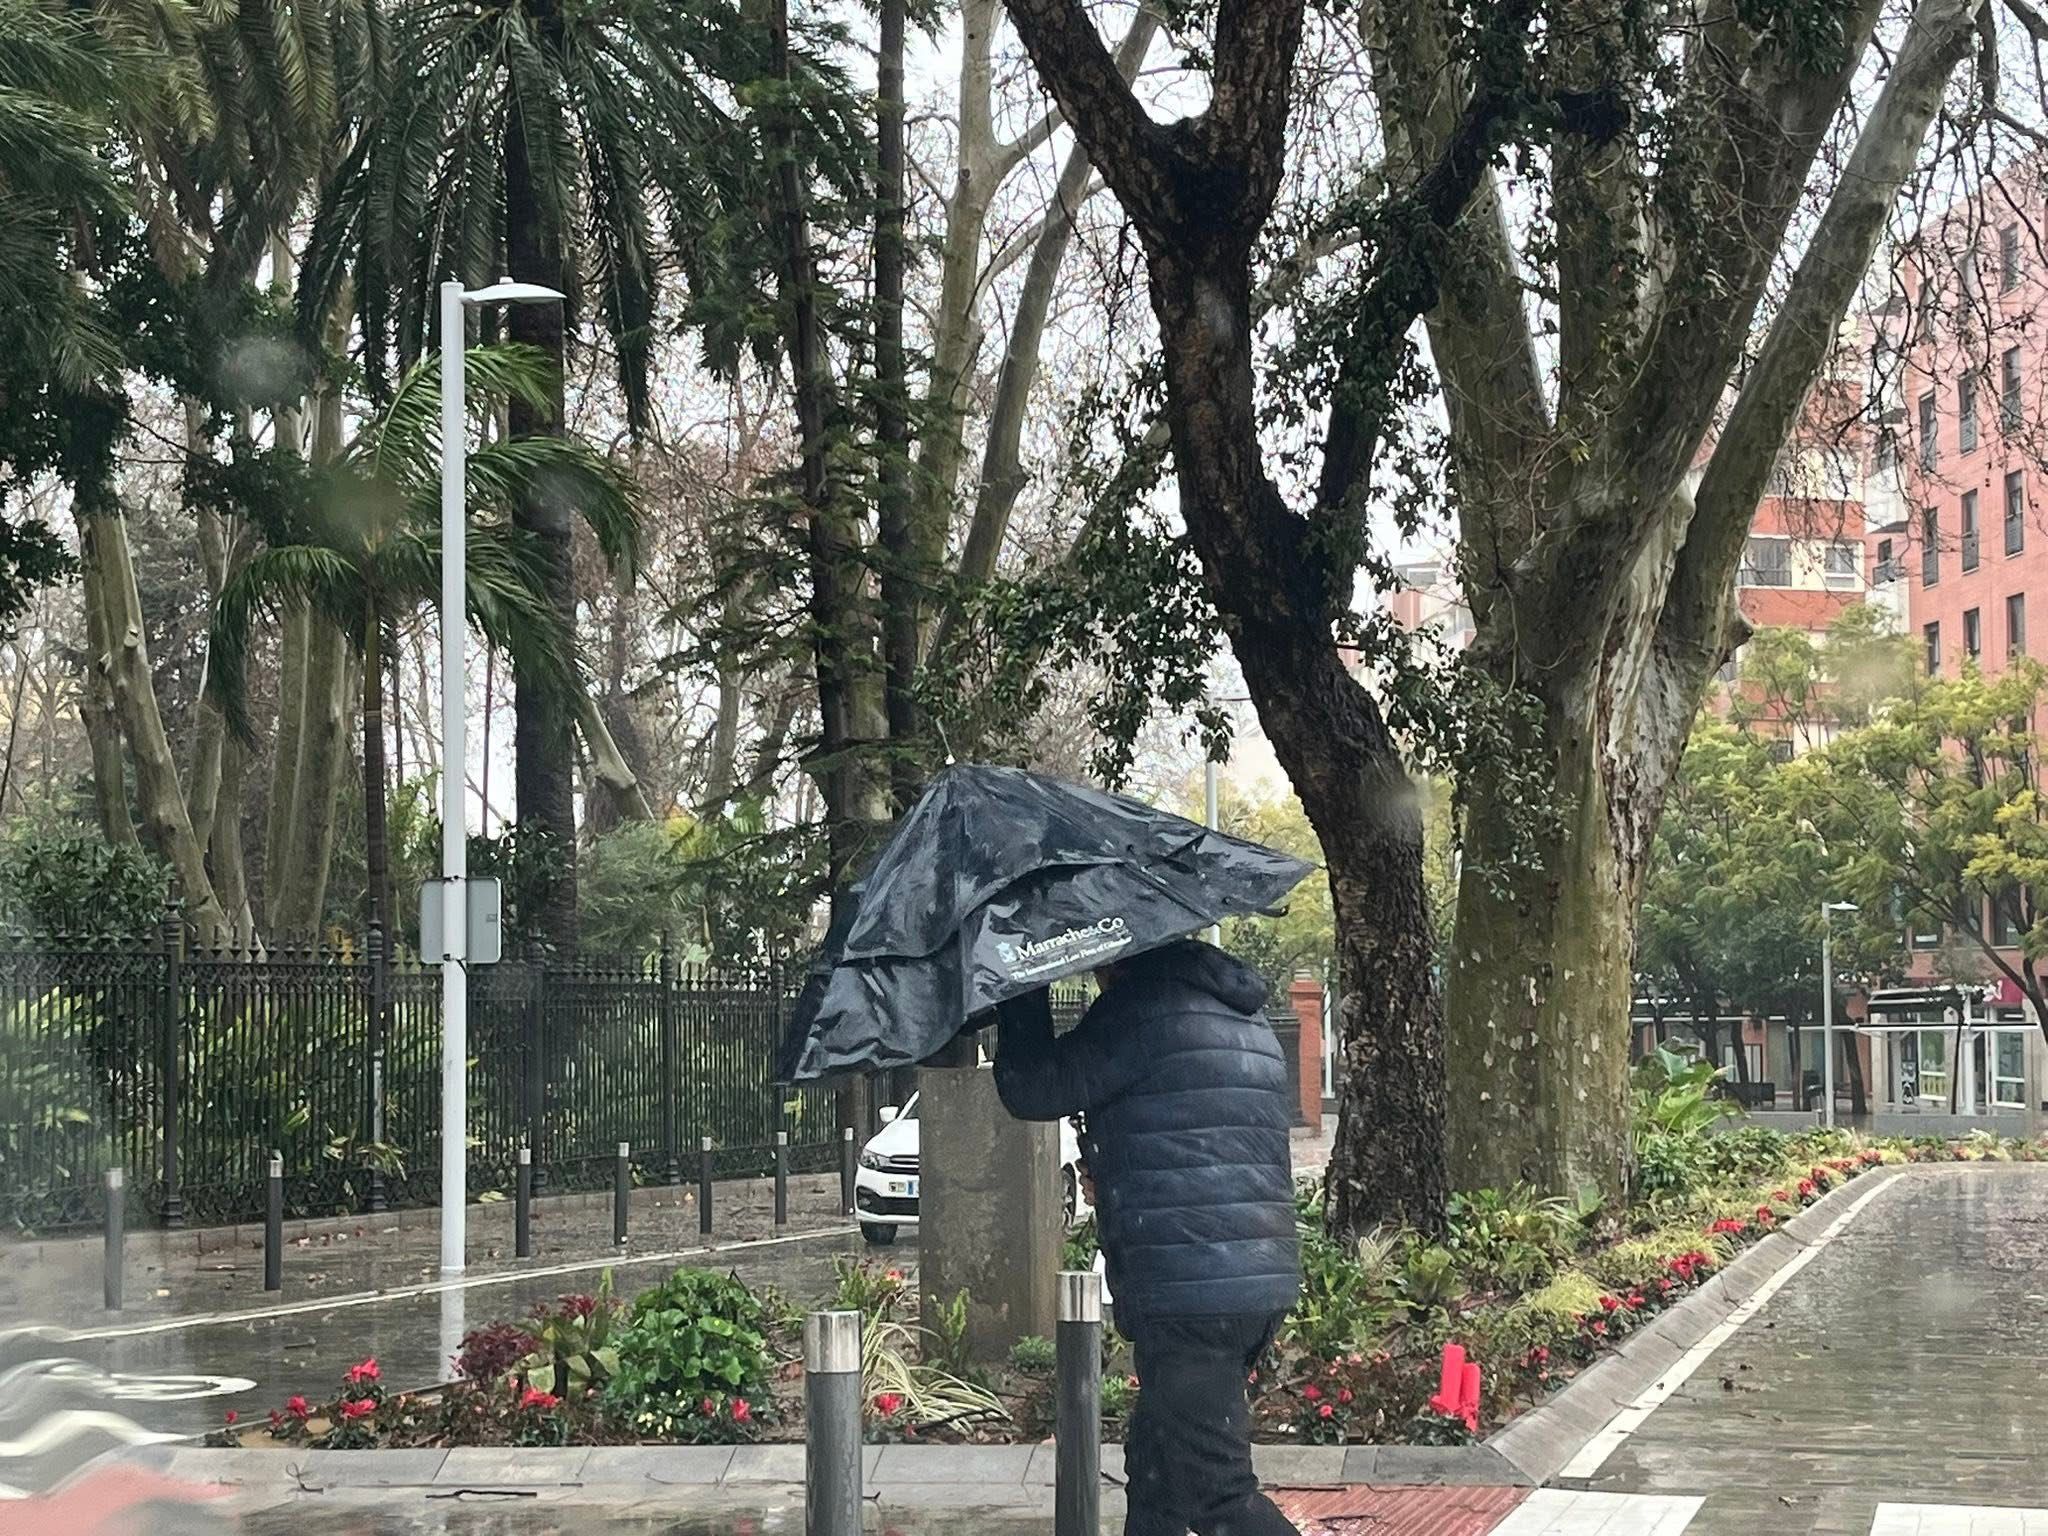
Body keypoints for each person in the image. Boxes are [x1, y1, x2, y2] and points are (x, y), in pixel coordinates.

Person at [993, 938, 1301, 1536]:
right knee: (1157, 1472)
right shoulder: (1241, 1014)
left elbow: (1034, 1086)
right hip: (1252, 1279)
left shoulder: (1140, 1012)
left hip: (1192, 1288)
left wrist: (1020, 986)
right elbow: (1198, 1140)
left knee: (1219, 1494)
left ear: (1120, 954)